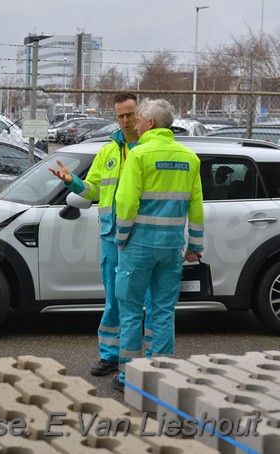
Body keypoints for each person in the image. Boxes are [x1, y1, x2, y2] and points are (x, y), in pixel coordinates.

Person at [50, 92, 151, 377]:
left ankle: (136, 361)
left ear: (139, 114)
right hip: (112, 235)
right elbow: (93, 190)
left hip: (141, 235)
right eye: (120, 115)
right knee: (114, 299)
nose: (126, 120)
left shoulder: (148, 148)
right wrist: (73, 182)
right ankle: (110, 355)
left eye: (130, 114)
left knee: (139, 301)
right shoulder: (108, 152)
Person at [112, 98, 204, 392]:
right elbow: (197, 206)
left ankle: (129, 375)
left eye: (138, 120)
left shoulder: (139, 155)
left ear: (150, 123)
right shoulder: (190, 157)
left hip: (138, 245)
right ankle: (161, 374)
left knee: (130, 310)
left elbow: (126, 202)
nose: (135, 125)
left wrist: (121, 238)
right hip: (171, 247)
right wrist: (195, 244)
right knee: (163, 311)